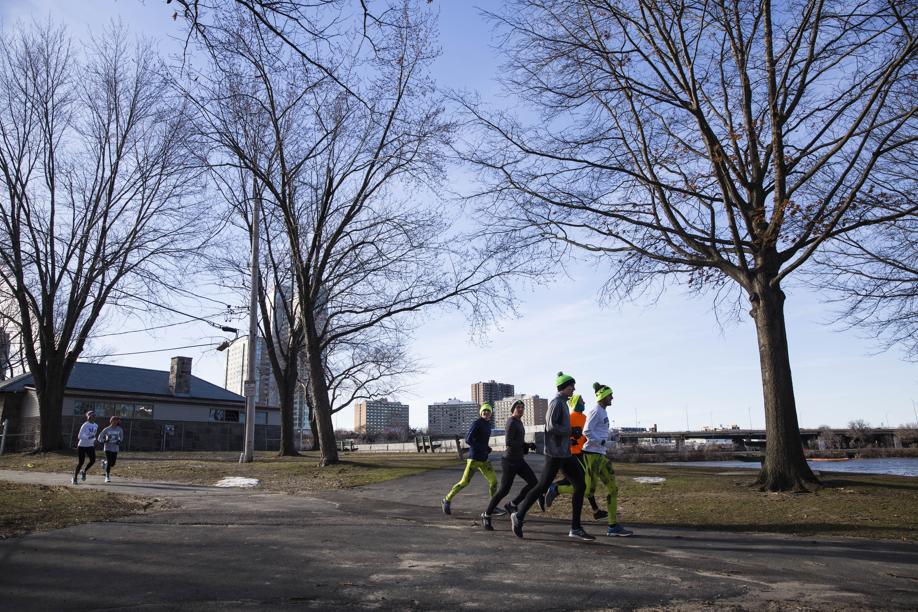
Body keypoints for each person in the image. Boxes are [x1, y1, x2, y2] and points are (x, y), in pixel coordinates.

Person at [510, 372, 594, 541]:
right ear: (564, 387)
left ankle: (575, 528)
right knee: (541, 486)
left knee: (580, 485)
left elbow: (560, 428)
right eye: (572, 386)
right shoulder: (556, 403)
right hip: (555, 454)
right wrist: (570, 430)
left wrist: (572, 433)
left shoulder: (563, 403)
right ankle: (518, 516)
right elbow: (550, 427)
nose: (574, 389)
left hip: (565, 452)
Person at [480, 399, 544, 530]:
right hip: (509, 461)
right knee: (504, 490)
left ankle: (513, 504)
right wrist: (525, 445)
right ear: (513, 409)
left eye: (522, 407)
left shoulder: (519, 422)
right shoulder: (511, 422)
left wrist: (526, 445)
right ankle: (486, 514)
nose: (520, 409)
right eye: (518, 407)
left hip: (519, 460)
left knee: (534, 483)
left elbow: (518, 441)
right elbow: (509, 442)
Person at [544, 393, 608, 519]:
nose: (584, 403)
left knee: (585, 482)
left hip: (582, 452)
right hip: (572, 454)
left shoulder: (585, 417)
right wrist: (570, 440)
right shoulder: (571, 417)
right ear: (576, 403)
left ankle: (595, 510)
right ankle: (555, 488)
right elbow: (563, 432)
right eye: (582, 401)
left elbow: (587, 434)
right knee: (583, 483)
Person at [583, 382, 633, 536]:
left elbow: (600, 431)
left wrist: (611, 436)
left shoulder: (603, 412)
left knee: (612, 488)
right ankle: (555, 489)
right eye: (610, 395)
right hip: (591, 455)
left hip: (601, 455)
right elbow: (587, 431)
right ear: (603, 396)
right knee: (586, 489)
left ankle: (613, 526)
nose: (612, 397)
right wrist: (602, 441)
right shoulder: (595, 411)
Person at [442, 403, 499, 515]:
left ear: (491, 414)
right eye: (484, 411)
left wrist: (487, 448)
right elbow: (468, 439)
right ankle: (447, 499)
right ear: (481, 412)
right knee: (464, 482)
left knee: (494, 482)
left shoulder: (488, 425)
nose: (486, 413)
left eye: (488, 411)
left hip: (484, 460)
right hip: (474, 459)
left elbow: (481, 441)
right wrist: (482, 447)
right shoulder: (476, 423)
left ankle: (493, 506)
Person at [72, 410, 98, 485]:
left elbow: (93, 435)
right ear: (87, 417)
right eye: (90, 415)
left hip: (90, 446)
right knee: (81, 462)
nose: (91, 417)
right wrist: (88, 437)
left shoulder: (96, 425)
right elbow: (79, 436)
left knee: (93, 460)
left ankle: (84, 471)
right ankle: (75, 478)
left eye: (93, 415)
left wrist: (94, 440)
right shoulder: (85, 425)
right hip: (82, 446)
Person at [98, 416, 125, 483]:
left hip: (115, 448)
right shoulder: (107, 429)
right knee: (109, 461)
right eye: (114, 420)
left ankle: (104, 462)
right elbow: (99, 438)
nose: (115, 422)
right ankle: (107, 476)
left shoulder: (120, 429)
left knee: (112, 464)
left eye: (117, 421)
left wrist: (119, 441)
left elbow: (121, 438)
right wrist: (104, 441)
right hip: (107, 448)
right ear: (111, 421)